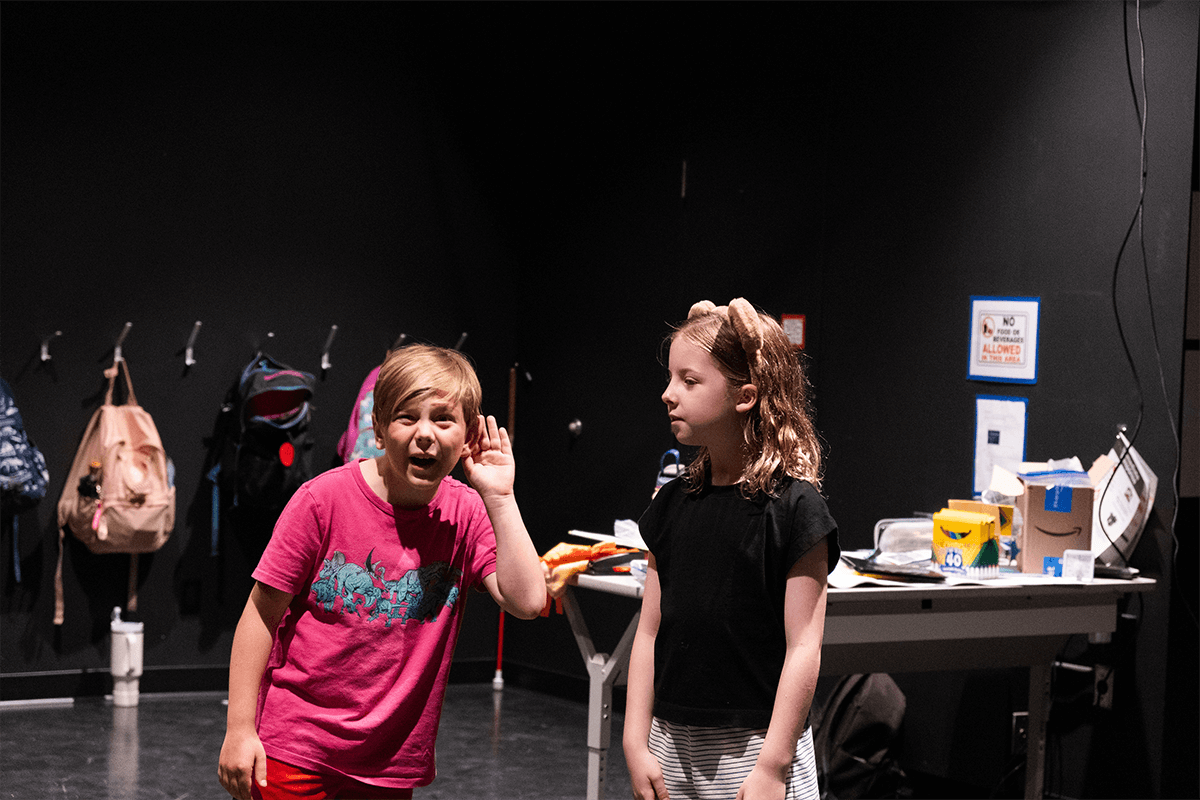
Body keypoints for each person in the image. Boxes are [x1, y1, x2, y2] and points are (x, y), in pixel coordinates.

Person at [218, 344, 546, 800]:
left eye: (443, 419)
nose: (425, 434)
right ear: (378, 427)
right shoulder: (321, 501)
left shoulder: (466, 512)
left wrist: (501, 498)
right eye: (407, 417)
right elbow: (260, 615)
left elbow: (528, 602)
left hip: (388, 764)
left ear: (469, 433)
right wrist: (239, 729)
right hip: (295, 747)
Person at [624, 299, 841, 800]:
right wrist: (635, 740)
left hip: (756, 751)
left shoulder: (794, 509)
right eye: (670, 378)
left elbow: (804, 647)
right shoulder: (670, 504)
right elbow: (648, 632)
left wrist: (773, 766)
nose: (668, 394)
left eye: (689, 381)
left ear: (745, 396)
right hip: (671, 747)